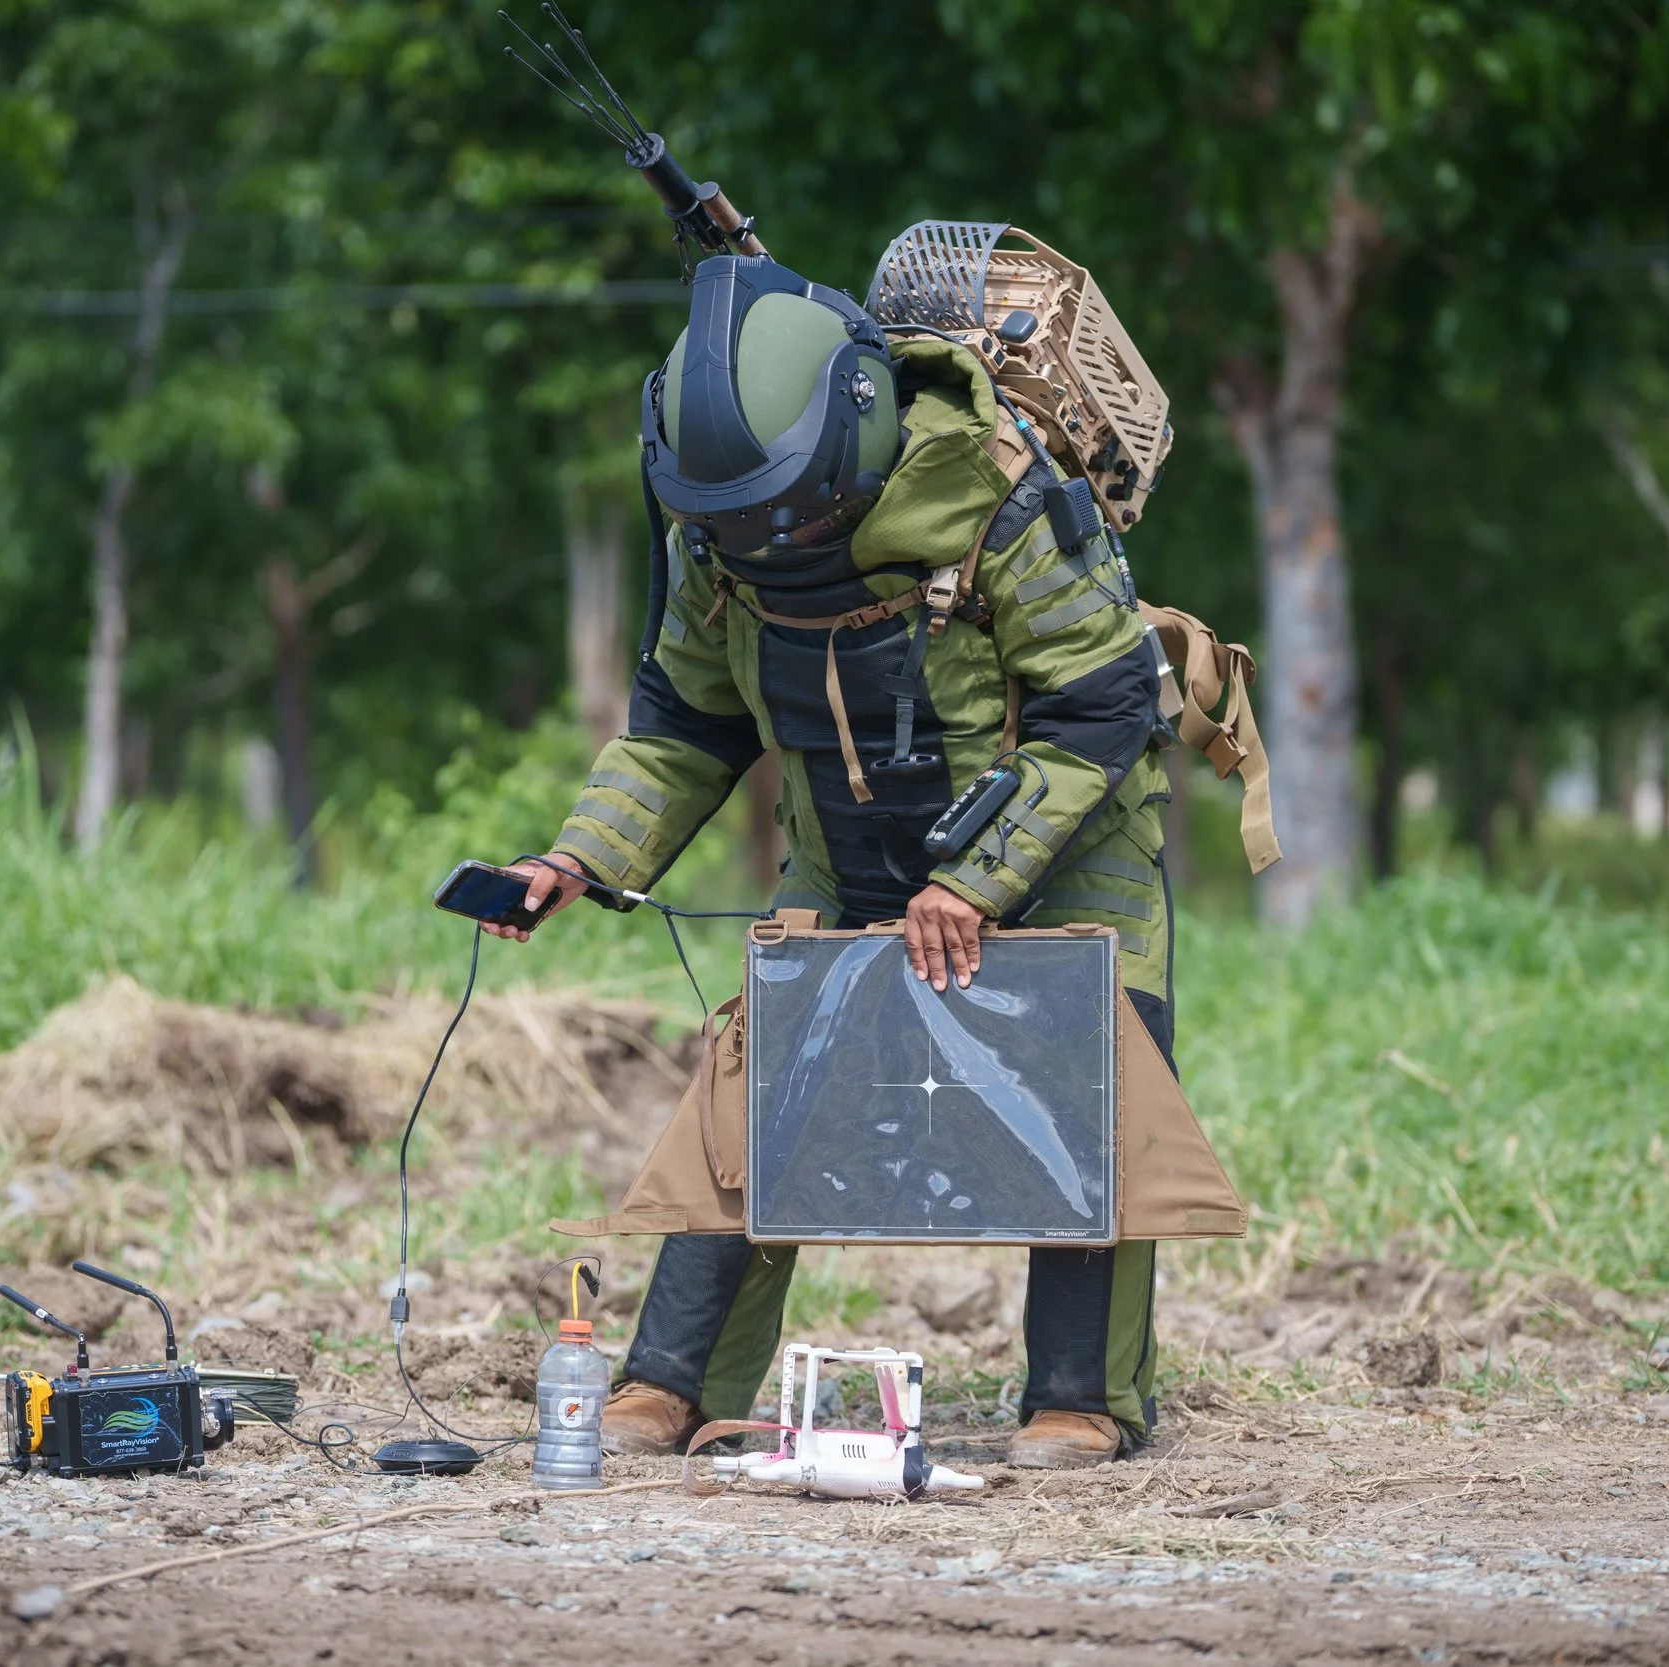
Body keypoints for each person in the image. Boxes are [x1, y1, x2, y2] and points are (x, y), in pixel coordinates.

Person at [482, 249, 1178, 1469]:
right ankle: (670, 1382)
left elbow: (1103, 707)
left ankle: (1084, 1396)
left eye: (781, 517)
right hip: (843, 838)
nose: (761, 544)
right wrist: (581, 856)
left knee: (1090, 1086)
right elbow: (685, 723)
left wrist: (976, 879)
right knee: (753, 1091)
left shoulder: (1000, 499)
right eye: (732, 528)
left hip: (1059, 836)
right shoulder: (718, 541)